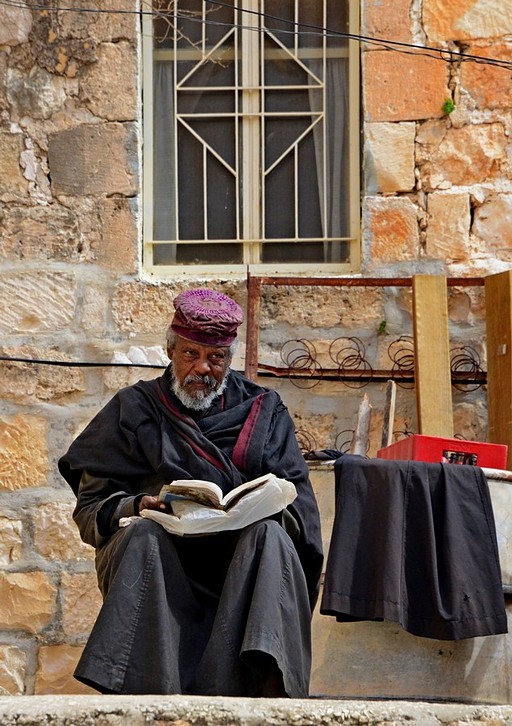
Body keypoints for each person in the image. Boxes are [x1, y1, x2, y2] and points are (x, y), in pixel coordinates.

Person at [58, 288, 323, 697]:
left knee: (271, 535)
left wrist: (263, 508)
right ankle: (145, 698)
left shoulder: (264, 411)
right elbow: (91, 508)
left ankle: (271, 695)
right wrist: (136, 505)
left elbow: (302, 516)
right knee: (143, 533)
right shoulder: (134, 410)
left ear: (229, 360)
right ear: (170, 350)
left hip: (240, 569)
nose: (202, 368)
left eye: (215, 358)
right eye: (190, 354)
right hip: (162, 566)